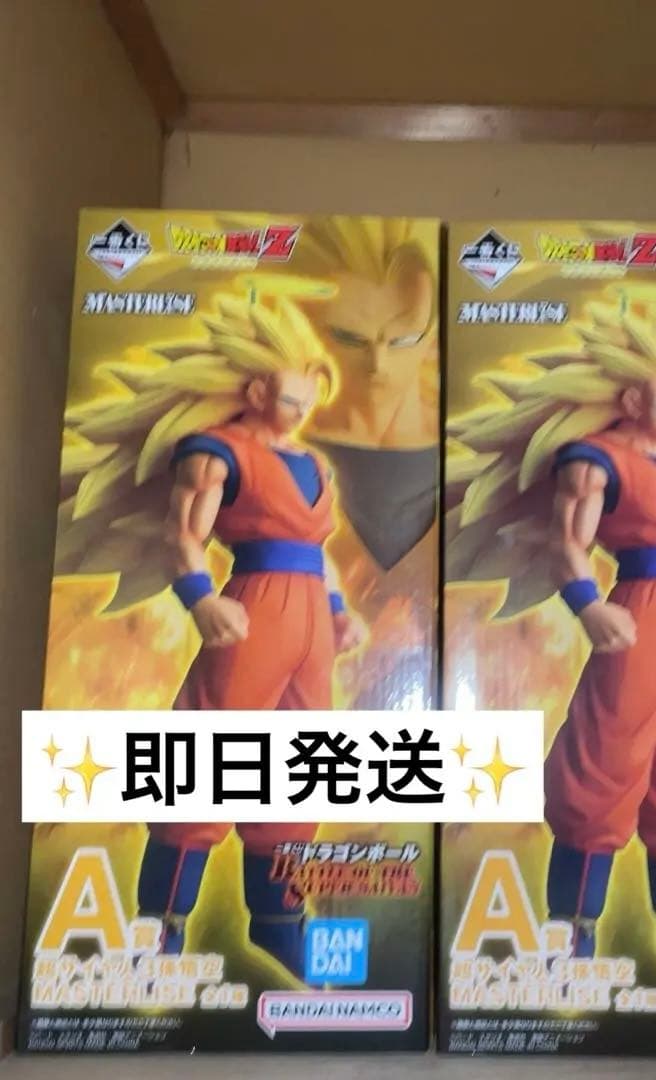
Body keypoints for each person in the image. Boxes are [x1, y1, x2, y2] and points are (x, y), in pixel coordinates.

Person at [57, 290, 362, 977]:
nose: (302, 412)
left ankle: (280, 923)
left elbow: (320, 551)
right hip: (253, 608)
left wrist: (340, 610)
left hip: (311, 619)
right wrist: (199, 600)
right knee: (207, 757)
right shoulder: (216, 453)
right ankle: (160, 931)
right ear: (255, 391)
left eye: (309, 400)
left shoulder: (313, 463)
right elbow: (182, 537)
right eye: (292, 399)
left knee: (305, 768)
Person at [446, 299, 656, 958]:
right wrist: (589, 605)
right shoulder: (595, 459)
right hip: (639, 611)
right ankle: (573, 934)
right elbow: (569, 545)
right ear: (634, 396)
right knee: (604, 761)